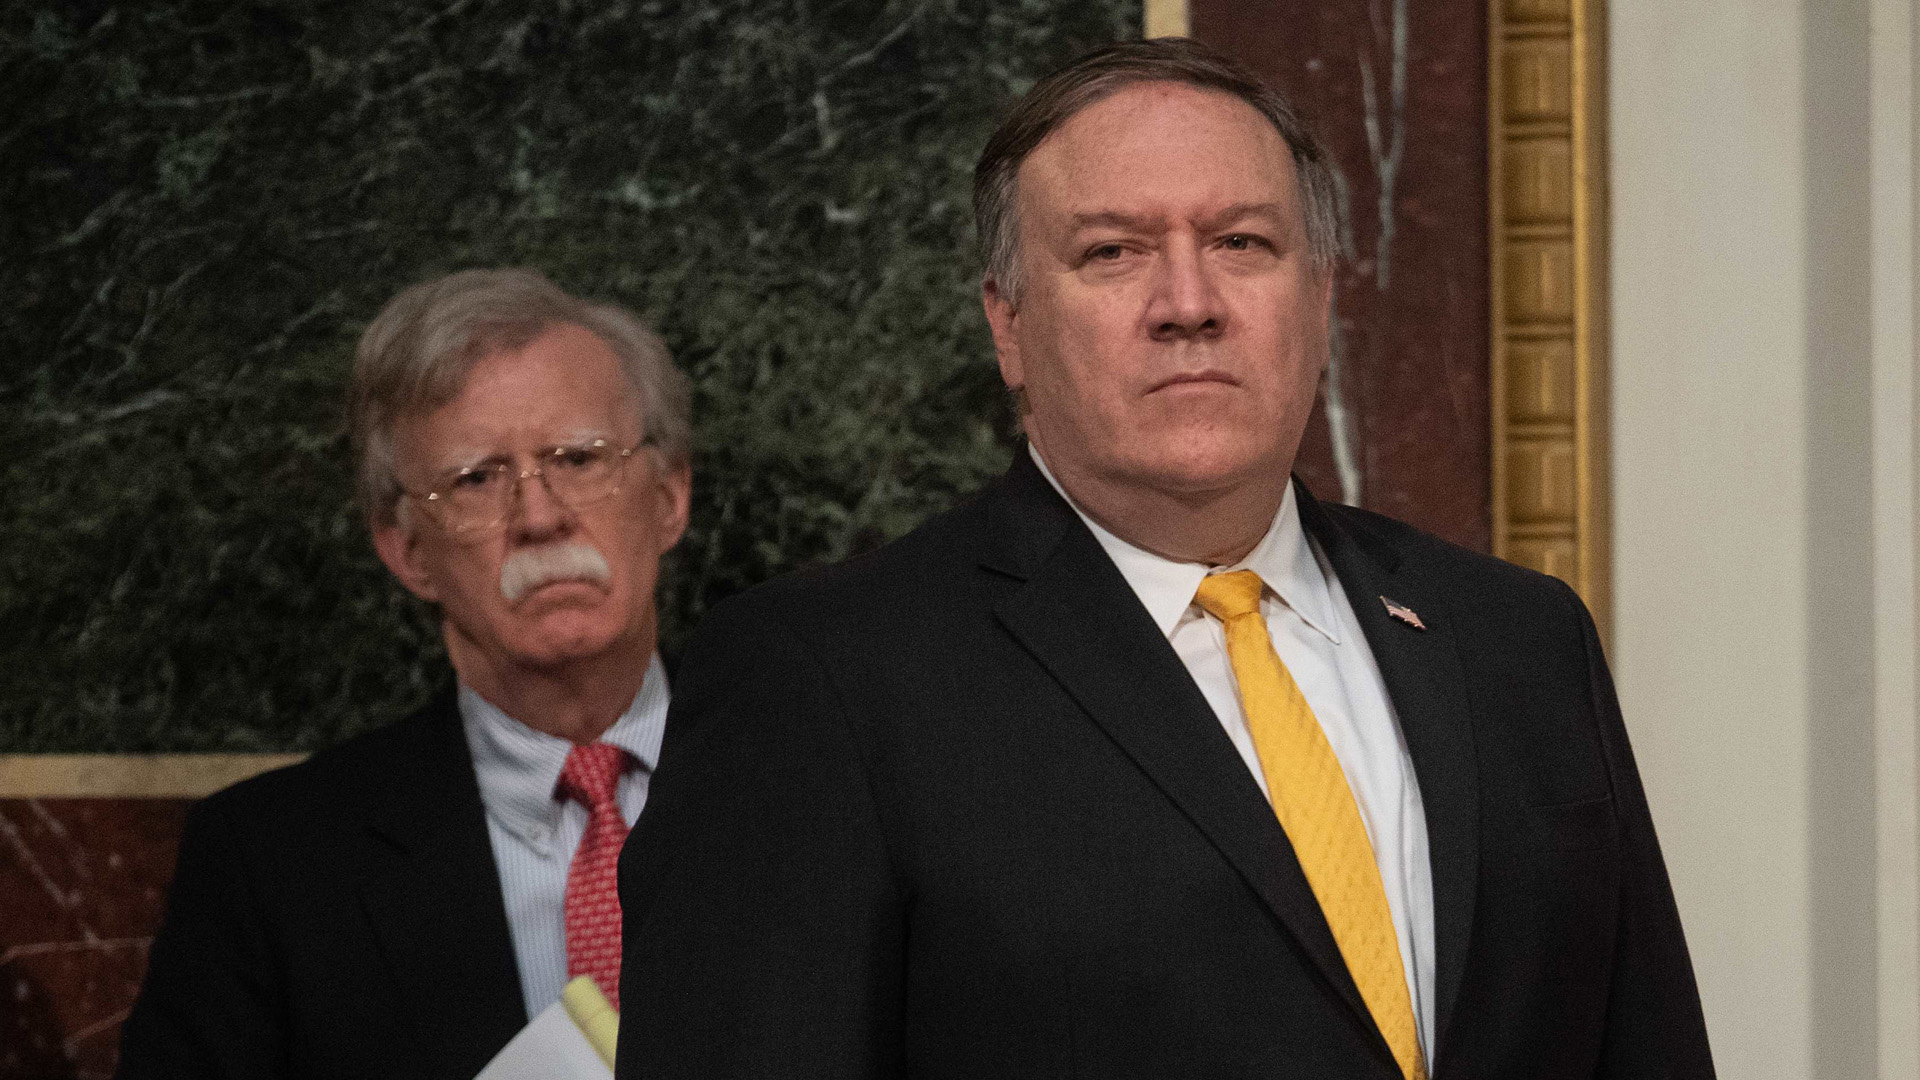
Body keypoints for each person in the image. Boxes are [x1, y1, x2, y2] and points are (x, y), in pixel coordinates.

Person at [615, 38, 1713, 1080]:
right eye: (1112, 252)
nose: (1189, 305)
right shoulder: (824, 683)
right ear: (1008, 324)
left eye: (1243, 243)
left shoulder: (1518, 638)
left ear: (1320, 298)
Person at [117, 268, 693, 1080]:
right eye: (477, 479)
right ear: (408, 550)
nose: (539, 515)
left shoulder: (828, 790)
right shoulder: (272, 865)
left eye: (578, 457)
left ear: (669, 497)